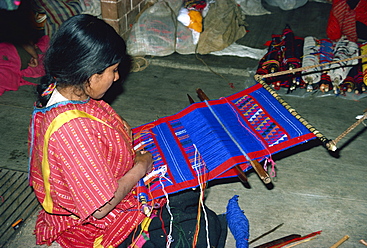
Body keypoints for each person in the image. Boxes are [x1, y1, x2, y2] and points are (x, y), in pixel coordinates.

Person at [28, 14, 227, 248]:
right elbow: (101, 208)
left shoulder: (62, 90)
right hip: (97, 226)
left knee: (188, 190)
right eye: (112, 70)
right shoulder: (72, 131)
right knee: (198, 232)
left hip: (111, 183)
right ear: (91, 76)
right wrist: (141, 167)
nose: (117, 76)